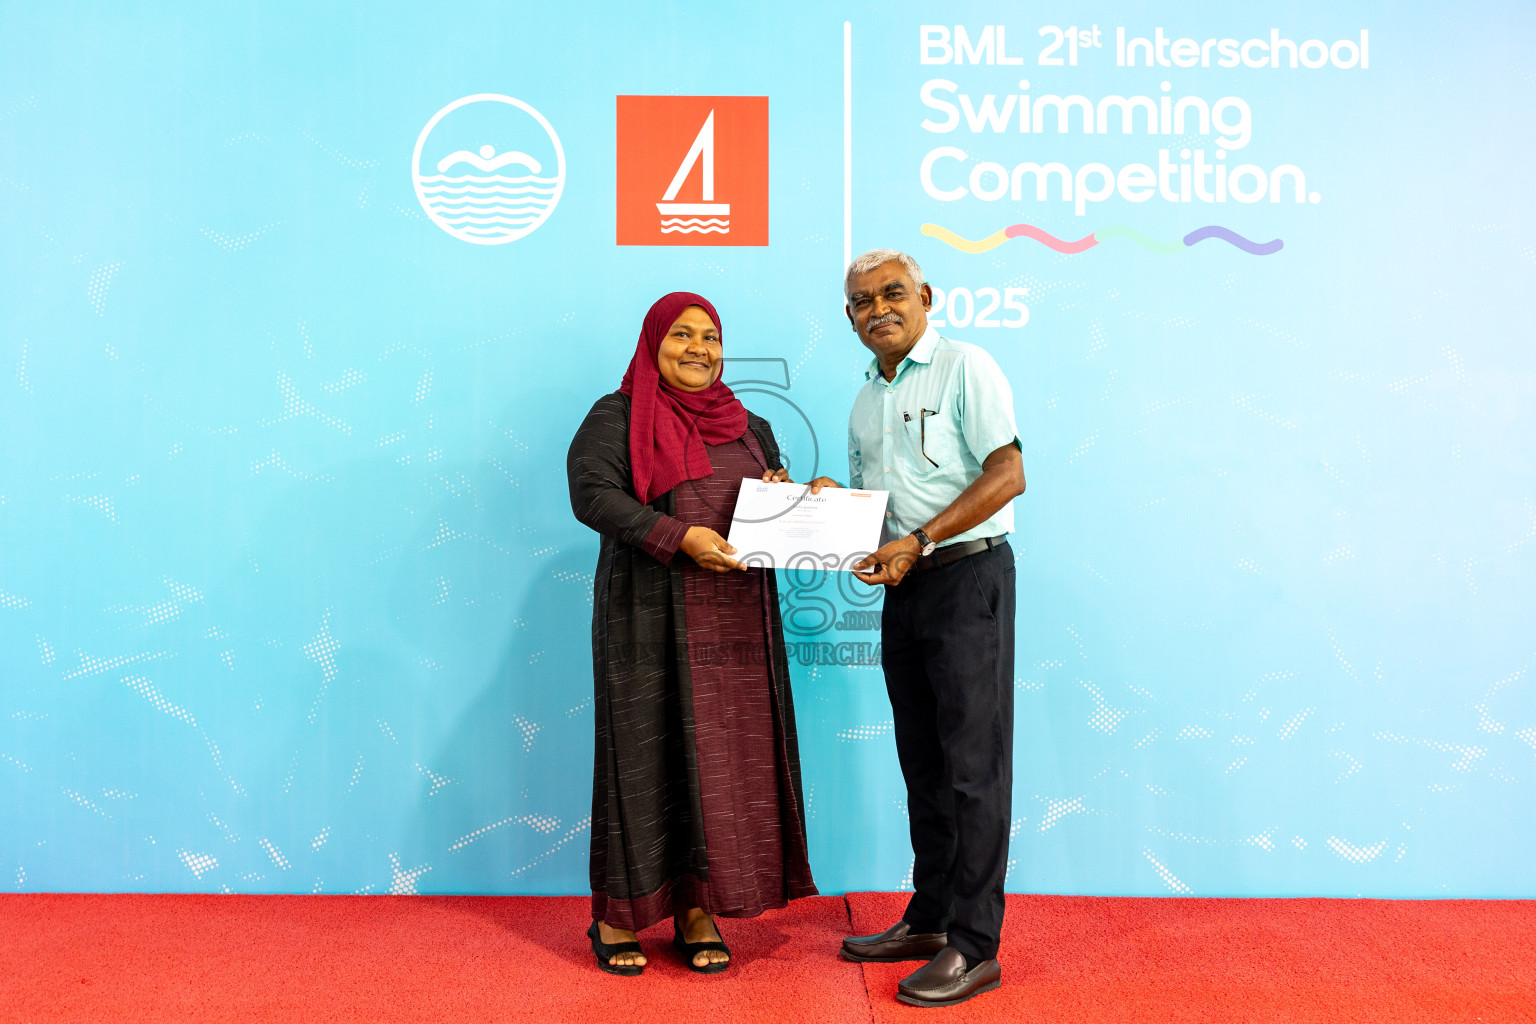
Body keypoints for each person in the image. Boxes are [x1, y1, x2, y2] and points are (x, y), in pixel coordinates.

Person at [566, 291, 817, 977]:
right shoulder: (617, 416)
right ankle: (616, 916)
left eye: (711, 336)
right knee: (644, 758)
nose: (699, 349)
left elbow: (764, 498)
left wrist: (790, 498)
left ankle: (699, 910)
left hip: (736, 620)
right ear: (653, 342)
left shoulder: (750, 423)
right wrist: (679, 538)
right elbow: (593, 495)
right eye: (682, 334)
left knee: (722, 764)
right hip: (647, 615)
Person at [808, 250, 1024, 1008]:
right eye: (862, 301)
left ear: (926, 297)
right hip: (906, 592)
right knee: (924, 765)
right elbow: (877, 512)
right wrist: (831, 501)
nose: (878, 309)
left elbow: (1007, 474)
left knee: (973, 769)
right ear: (850, 317)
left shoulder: (967, 366)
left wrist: (921, 540)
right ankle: (931, 918)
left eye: (892, 293)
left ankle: (974, 946)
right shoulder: (866, 401)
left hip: (968, 578)